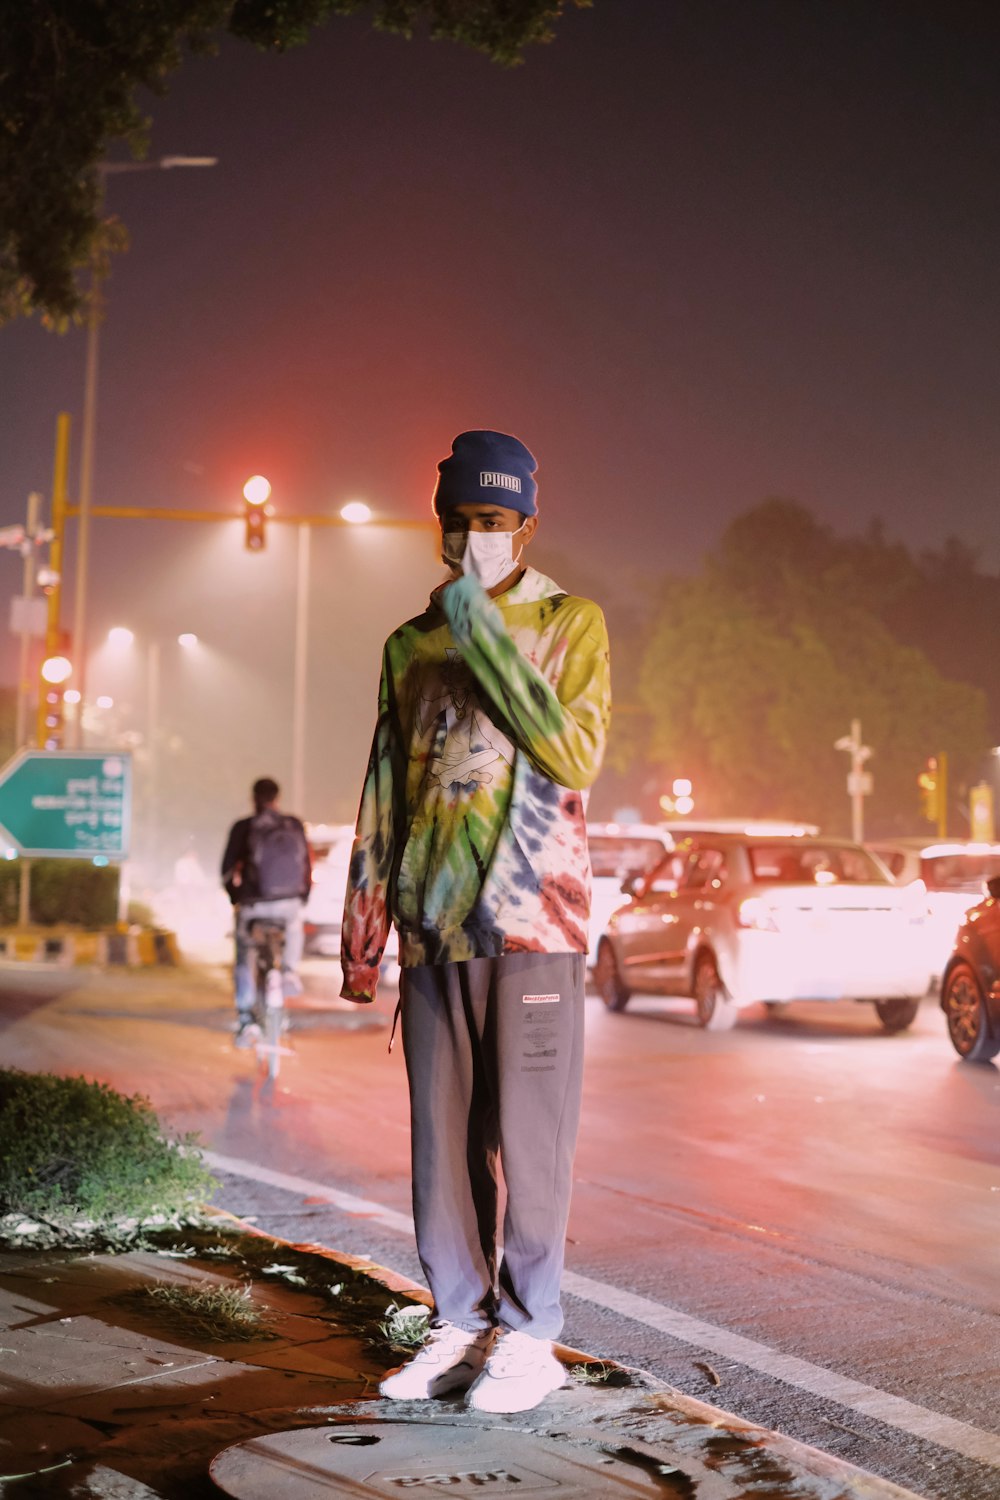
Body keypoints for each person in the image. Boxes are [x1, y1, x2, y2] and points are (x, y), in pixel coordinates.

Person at [341, 430, 611, 1414]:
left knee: (532, 1149)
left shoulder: (570, 623)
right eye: (459, 521)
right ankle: (458, 1320)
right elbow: (383, 787)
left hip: (535, 926)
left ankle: (530, 1335)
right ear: (437, 525)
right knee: (441, 1149)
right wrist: (364, 922)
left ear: (528, 526)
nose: (475, 537)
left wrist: (484, 631)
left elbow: (572, 752)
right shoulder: (407, 645)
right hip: (433, 929)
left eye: (493, 522)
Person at [221, 777, 312, 1047]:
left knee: (244, 953)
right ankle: (289, 971)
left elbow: (226, 871)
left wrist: (236, 898)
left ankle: (247, 1018)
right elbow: (307, 866)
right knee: (295, 925)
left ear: (254, 799)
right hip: (289, 904)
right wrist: (302, 897)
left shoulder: (243, 827)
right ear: (277, 798)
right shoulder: (293, 824)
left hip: (253, 905)